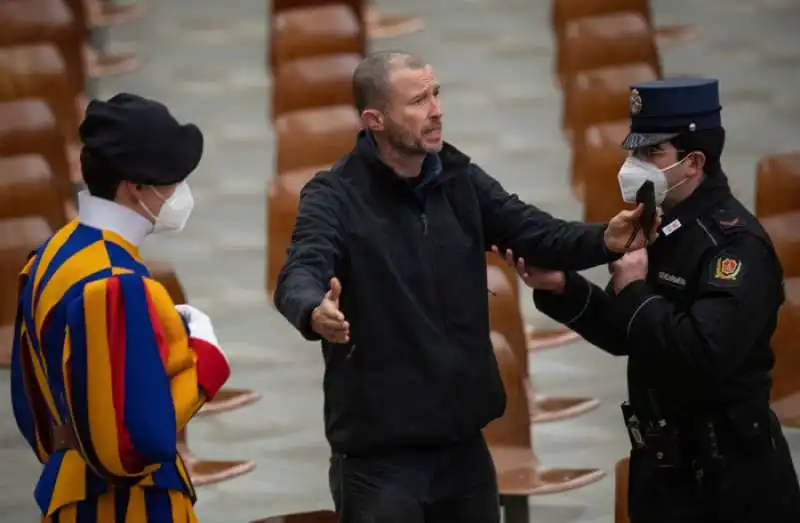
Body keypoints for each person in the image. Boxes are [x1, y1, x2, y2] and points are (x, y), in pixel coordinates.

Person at [274, 51, 655, 523]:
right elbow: (300, 270)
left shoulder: (458, 178)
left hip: (464, 453)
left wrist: (606, 239)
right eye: (417, 100)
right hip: (381, 466)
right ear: (374, 119)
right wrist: (313, 310)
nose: (436, 109)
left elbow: (538, 233)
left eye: (436, 94)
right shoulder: (334, 195)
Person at [504, 77, 800, 522]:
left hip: (728, 480)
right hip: (663, 471)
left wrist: (637, 290)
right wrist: (563, 288)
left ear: (694, 161)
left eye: (651, 153)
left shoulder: (733, 248)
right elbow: (627, 331)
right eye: (634, 152)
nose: (633, 165)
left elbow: (704, 352)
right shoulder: (663, 226)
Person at [10, 93, 231, 523]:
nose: (180, 192)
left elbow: (29, 401)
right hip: (128, 505)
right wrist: (205, 357)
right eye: (173, 180)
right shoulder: (119, 283)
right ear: (137, 187)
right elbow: (136, 443)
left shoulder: (50, 253)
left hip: (69, 491)